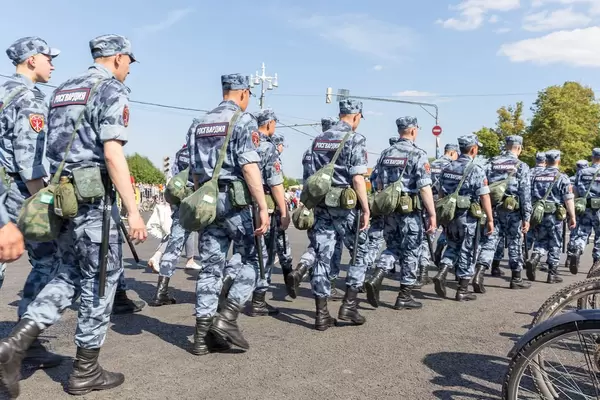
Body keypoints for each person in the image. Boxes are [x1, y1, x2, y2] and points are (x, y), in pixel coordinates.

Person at [0, 34, 148, 397]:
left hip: (61, 196)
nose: (129, 68)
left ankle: (16, 344)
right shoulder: (110, 89)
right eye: (128, 61)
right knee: (101, 279)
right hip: (92, 199)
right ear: (116, 58)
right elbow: (113, 153)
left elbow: (48, 149)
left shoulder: (63, 88)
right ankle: (85, 370)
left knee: (67, 271)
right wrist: (133, 211)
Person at [186, 73, 269, 354]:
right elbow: (249, 167)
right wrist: (262, 206)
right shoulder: (243, 121)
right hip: (235, 202)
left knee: (210, 269)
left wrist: (203, 201)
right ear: (244, 93)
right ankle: (228, 317)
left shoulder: (200, 122)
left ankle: (200, 337)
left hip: (207, 201)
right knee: (253, 260)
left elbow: (195, 172)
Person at [0, 36, 64, 369]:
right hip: (18, 196)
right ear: (30, 60)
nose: (52, 63)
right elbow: (30, 164)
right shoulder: (27, 99)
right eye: (47, 57)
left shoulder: (4, 93)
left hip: (3, 192)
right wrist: (46, 202)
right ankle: (27, 341)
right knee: (51, 262)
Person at [304, 99, 370, 331]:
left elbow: (309, 174)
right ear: (356, 116)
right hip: (345, 205)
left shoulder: (319, 139)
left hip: (321, 204)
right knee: (360, 252)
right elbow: (358, 178)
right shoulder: (354, 138)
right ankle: (349, 305)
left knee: (322, 255)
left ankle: (321, 315)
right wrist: (366, 207)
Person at [218, 108, 289, 317]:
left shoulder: (237, 139)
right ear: (269, 124)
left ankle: (228, 277)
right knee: (262, 255)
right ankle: (258, 300)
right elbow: (275, 182)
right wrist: (283, 211)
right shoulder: (268, 146)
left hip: (237, 204)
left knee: (242, 251)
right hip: (261, 205)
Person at [363, 117, 436, 310]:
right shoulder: (417, 153)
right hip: (409, 211)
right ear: (412, 131)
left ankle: (377, 276)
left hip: (389, 209)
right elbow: (425, 187)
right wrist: (432, 214)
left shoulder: (385, 153)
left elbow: (377, 182)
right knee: (411, 250)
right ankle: (405, 296)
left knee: (392, 247)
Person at [286, 117, 344, 300]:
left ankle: (302, 267)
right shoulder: (339, 146)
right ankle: (329, 284)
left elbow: (307, 179)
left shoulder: (311, 149)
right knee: (331, 247)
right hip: (333, 204)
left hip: (312, 203)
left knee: (317, 244)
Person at [433, 135, 494, 301]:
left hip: (450, 215)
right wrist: (490, 219)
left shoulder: (448, 167)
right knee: (468, 250)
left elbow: (440, 193)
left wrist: (442, 214)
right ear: (473, 149)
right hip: (467, 217)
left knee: (452, 246)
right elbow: (484, 196)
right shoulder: (475, 169)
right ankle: (462, 290)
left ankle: (443, 271)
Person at [474, 135, 532, 291]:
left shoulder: (491, 163)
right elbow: (525, 193)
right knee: (515, 242)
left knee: (490, 242)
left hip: (493, 209)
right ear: (519, 148)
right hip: (513, 211)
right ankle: (516, 278)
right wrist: (527, 216)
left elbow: (483, 187)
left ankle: (479, 272)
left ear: (507, 146)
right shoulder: (521, 166)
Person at [149, 144, 201, 307]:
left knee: (173, 246)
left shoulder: (181, 153)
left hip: (181, 201)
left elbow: (172, 177)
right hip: (199, 200)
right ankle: (209, 294)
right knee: (209, 245)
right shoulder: (205, 150)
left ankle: (161, 292)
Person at [526, 150, 576, 284]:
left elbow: (529, 195)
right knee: (555, 242)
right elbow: (568, 199)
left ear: (546, 161)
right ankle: (552, 273)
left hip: (537, 214)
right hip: (554, 215)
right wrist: (572, 216)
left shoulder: (535, 175)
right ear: (558, 161)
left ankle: (535, 256)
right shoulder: (562, 177)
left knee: (541, 239)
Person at [567, 150, 600, 273]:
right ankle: (596, 265)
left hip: (584, 206)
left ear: (592, 157)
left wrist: (573, 210)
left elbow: (574, 191)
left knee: (582, 233)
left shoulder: (582, 172)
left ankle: (577, 251)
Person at [430, 143, 459, 267]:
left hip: (430, 200)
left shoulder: (432, 164)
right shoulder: (452, 166)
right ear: (452, 153)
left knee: (430, 229)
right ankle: (441, 245)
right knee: (448, 229)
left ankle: (425, 260)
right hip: (446, 202)